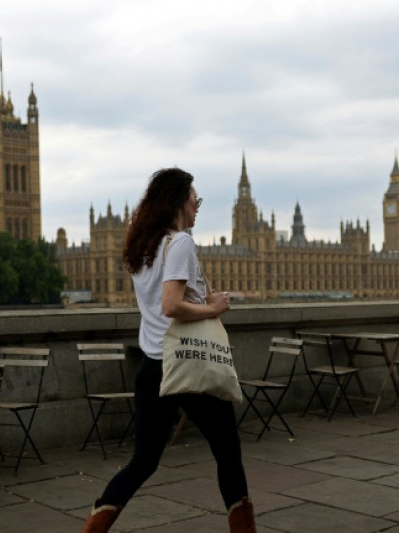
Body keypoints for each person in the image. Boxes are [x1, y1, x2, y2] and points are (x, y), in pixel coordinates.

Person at [81, 168, 256, 533]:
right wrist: (214, 308)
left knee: (143, 461)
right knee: (228, 454)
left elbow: (162, 301)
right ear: (179, 201)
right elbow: (172, 305)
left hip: (152, 365)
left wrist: (202, 296)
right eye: (195, 199)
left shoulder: (145, 247)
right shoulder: (180, 243)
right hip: (187, 365)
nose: (197, 207)